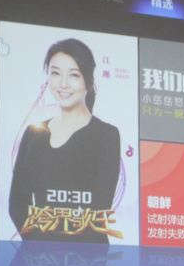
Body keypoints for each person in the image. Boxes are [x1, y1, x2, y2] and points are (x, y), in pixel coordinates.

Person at [8, 38, 122, 243]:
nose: (63, 84)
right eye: (55, 73)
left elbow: (98, 209)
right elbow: (17, 205)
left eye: (73, 75)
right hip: (38, 257)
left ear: (88, 81)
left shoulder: (107, 135)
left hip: (88, 256)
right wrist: (40, 250)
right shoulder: (33, 134)